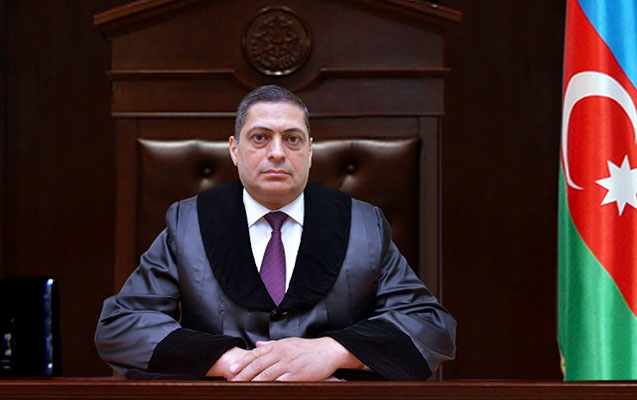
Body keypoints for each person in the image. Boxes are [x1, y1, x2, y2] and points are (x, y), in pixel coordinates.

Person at [95, 85, 456, 381]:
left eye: (293, 139)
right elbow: (121, 325)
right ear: (234, 150)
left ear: (310, 151)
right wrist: (229, 361)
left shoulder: (364, 225)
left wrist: (333, 351)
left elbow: (431, 325)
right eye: (260, 137)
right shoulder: (188, 223)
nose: (278, 153)